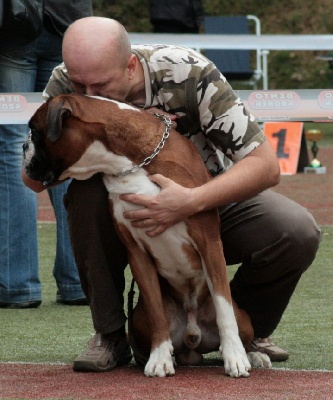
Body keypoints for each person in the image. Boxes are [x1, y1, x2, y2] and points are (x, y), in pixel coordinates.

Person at [23, 17, 322, 369]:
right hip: (129, 211)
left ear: (131, 66)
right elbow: (36, 178)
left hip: (212, 198)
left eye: (101, 84)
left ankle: (242, 329)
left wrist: (191, 201)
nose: (89, 95)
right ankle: (110, 335)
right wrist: (126, 129)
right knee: (85, 196)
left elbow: (266, 165)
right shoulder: (65, 83)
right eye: (80, 84)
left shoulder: (188, 72)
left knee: (295, 229)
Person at [0, 0, 93, 308]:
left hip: (15, 23)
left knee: (13, 146)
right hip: (71, 24)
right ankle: (77, 280)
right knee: (64, 145)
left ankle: (18, 284)